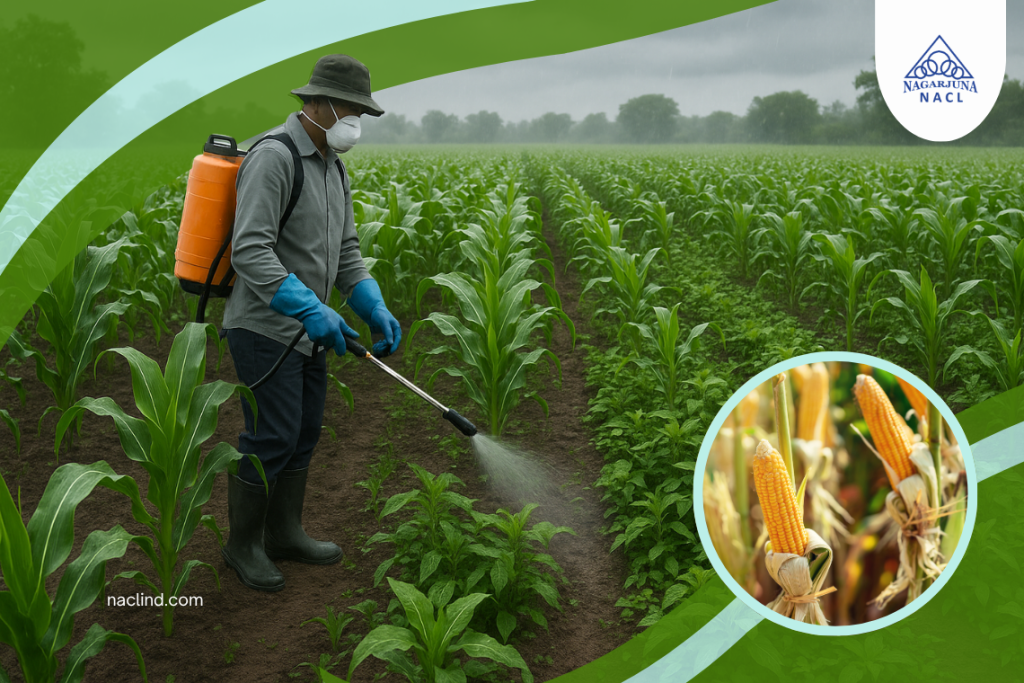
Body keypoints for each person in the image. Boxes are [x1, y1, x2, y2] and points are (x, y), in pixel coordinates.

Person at [220, 54, 401, 592]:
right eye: (350, 109)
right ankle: (243, 544)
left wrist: (371, 304)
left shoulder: (333, 166)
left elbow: (346, 251)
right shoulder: (274, 158)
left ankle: (284, 532)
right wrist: (308, 307)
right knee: (272, 435)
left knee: (304, 431)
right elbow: (249, 250)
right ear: (316, 103)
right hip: (265, 327)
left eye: (361, 113)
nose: (355, 122)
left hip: (309, 330)